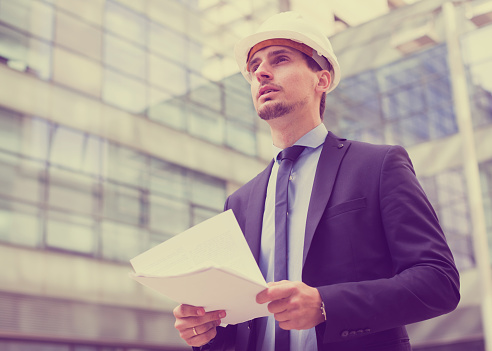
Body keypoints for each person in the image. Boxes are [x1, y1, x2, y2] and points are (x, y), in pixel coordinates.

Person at [173, 11, 460, 351]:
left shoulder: (378, 165)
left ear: (321, 80)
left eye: (280, 59)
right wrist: (206, 332)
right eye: (254, 68)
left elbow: (438, 281)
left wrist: (326, 305)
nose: (261, 72)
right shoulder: (239, 202)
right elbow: (242, 326)